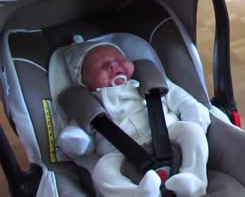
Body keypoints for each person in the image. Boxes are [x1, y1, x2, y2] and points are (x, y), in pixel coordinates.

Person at [57, 41, 210, 197]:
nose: (112, 65)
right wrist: (75, 141)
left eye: (118, 58)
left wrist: (196, 115)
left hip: (167, 133)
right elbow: (81, 140)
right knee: (101, 171)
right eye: (100, 65)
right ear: (83, 81)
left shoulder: (150, 83)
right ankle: (138, 193)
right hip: (120, 153)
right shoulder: (88, 103)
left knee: (191, 130)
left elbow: (182, 100)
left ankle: (193, 181)